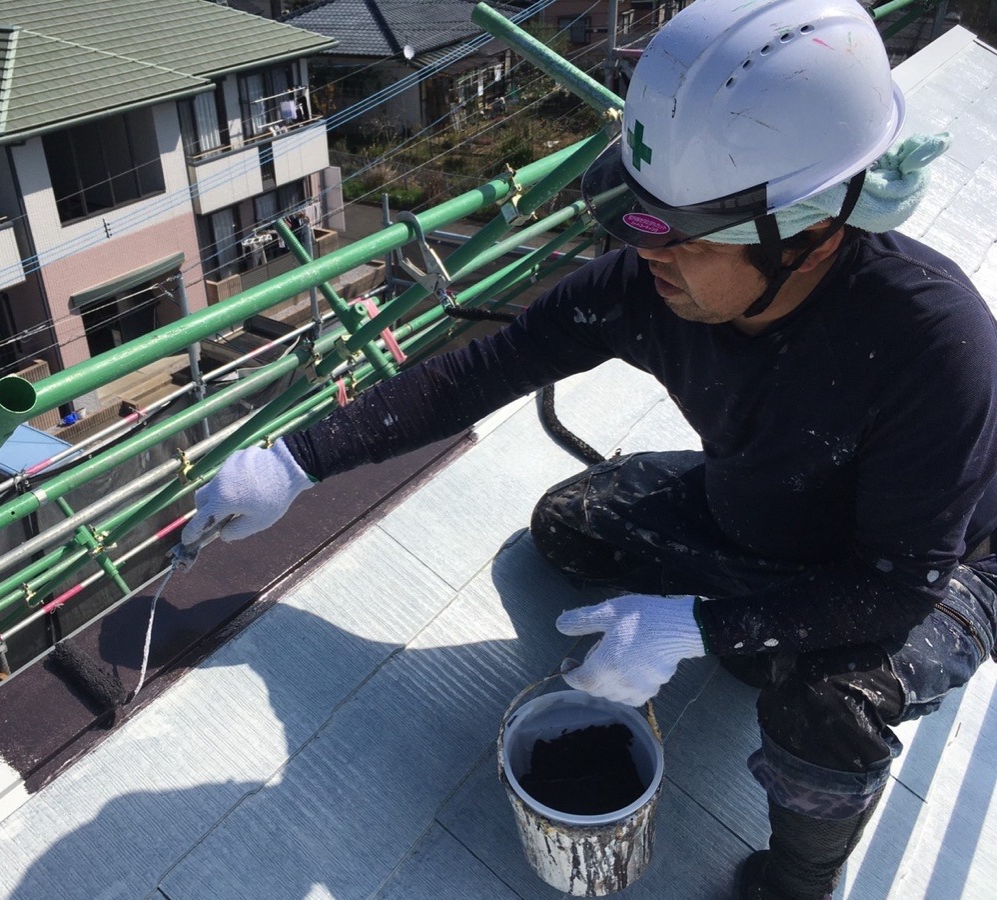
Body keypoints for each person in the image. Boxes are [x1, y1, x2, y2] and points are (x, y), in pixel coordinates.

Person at [180, 1, 997, 896]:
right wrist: (296, 462)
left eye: (681, 234)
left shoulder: (933, 342)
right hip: (768, 500)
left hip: (934, 567)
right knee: (566, 527)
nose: (647, 253)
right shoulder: (654, 285)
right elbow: (480, 371)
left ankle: (798, 880)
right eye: (634, 218)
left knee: (828, 706)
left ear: (811, 239)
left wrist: (696, 626)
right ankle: (758, 628)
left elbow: (897, 584)